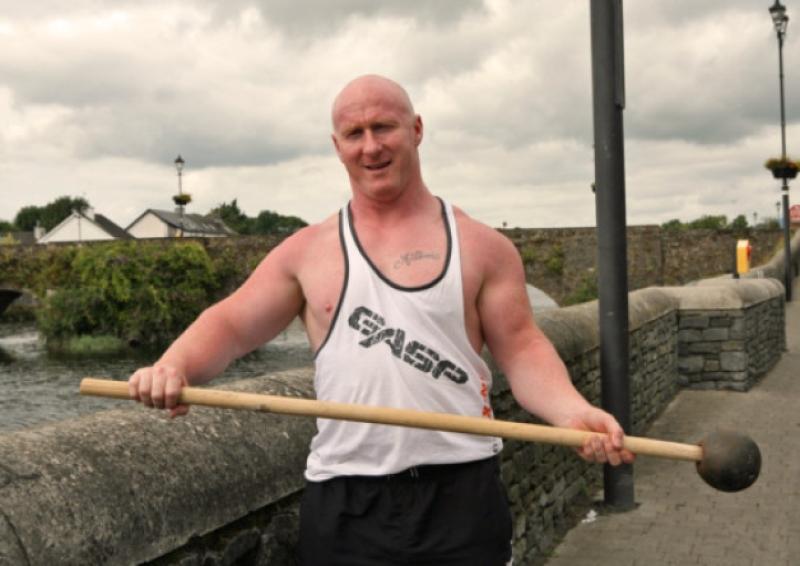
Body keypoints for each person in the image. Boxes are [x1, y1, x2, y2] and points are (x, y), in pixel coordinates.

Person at [128, 74, 634, 566]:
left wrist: (571, 413)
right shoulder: (307, 251)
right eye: (355, 133)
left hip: (461, 492)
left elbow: (523, 350)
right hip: (345, 499)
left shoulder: (484, 247)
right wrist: (174, 367)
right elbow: (232, 324)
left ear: (416, 129)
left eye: (384, 127)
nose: (371, 146)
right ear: (337, 145)